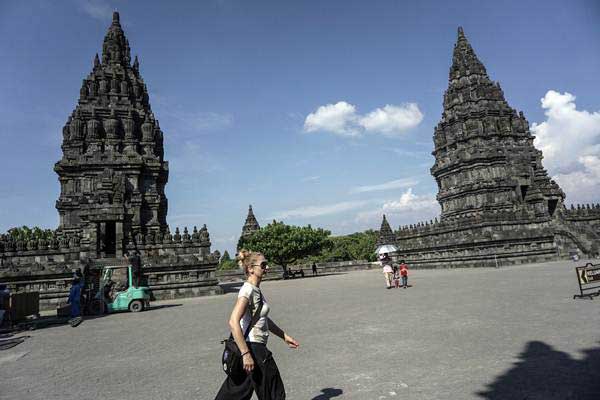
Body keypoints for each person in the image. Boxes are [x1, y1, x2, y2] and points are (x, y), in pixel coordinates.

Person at [215, 249, 299, 400]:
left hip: (252, 347)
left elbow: (263, 319)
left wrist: (284, 336)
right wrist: (246, 354)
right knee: (274, 392)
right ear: (250, 269)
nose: (267, 268)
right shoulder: (248, 290)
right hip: (254, 349)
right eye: (263, 265)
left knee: (236, 393)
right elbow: (233, 321)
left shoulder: (255, 290)